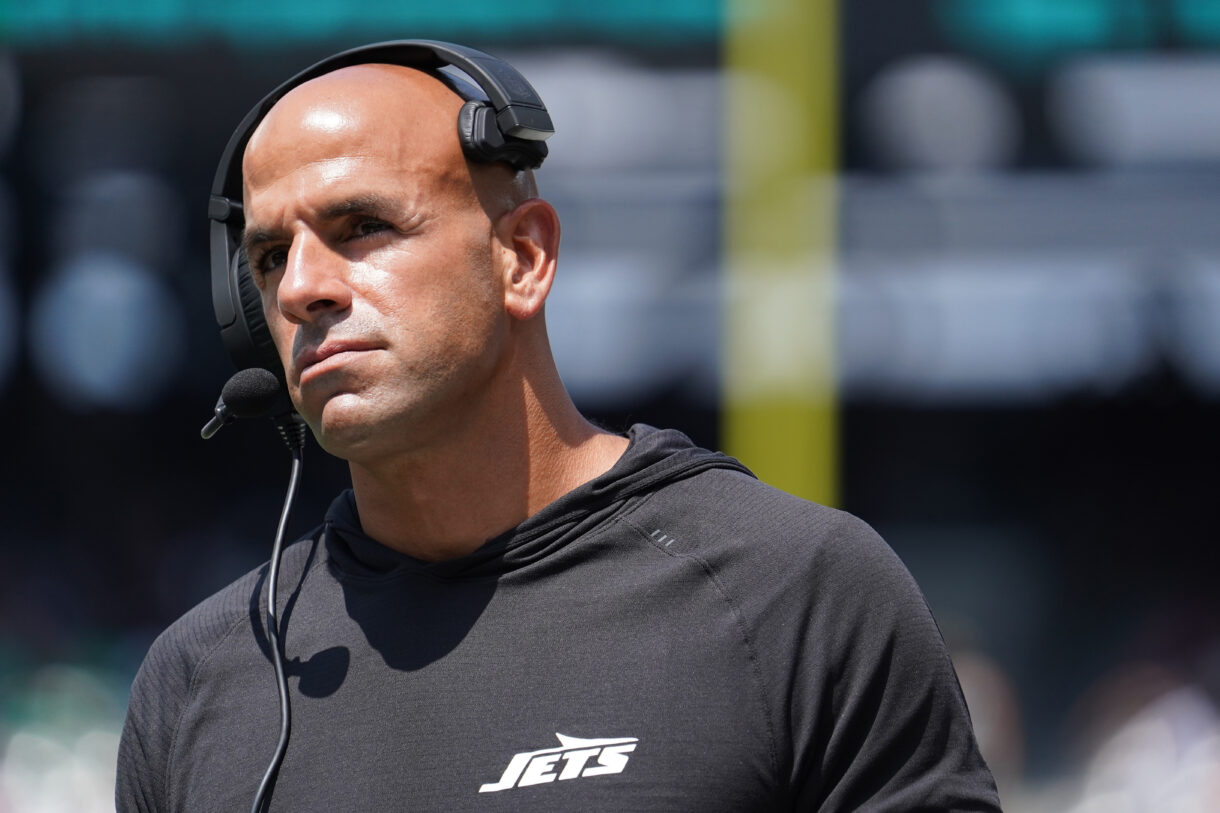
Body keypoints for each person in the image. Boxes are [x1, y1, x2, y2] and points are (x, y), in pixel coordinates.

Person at [116, 44, 1001, 812]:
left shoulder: (798, 593)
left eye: (362, 227)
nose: (305, 286)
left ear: (524, 256)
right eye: (270, 257)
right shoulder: (199, 679)